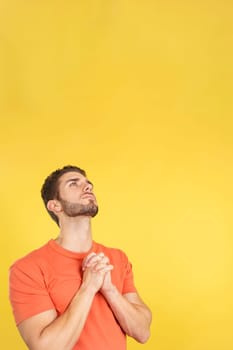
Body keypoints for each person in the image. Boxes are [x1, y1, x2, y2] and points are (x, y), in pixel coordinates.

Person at [9, 165, 152, 350]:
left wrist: (110, 290)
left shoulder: (117, 258)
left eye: (88, 184)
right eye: (73, 184)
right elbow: (46, 347)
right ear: (55, 205)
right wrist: (88, 288)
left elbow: (142, 332)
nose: (87, 187)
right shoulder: (28, 268)